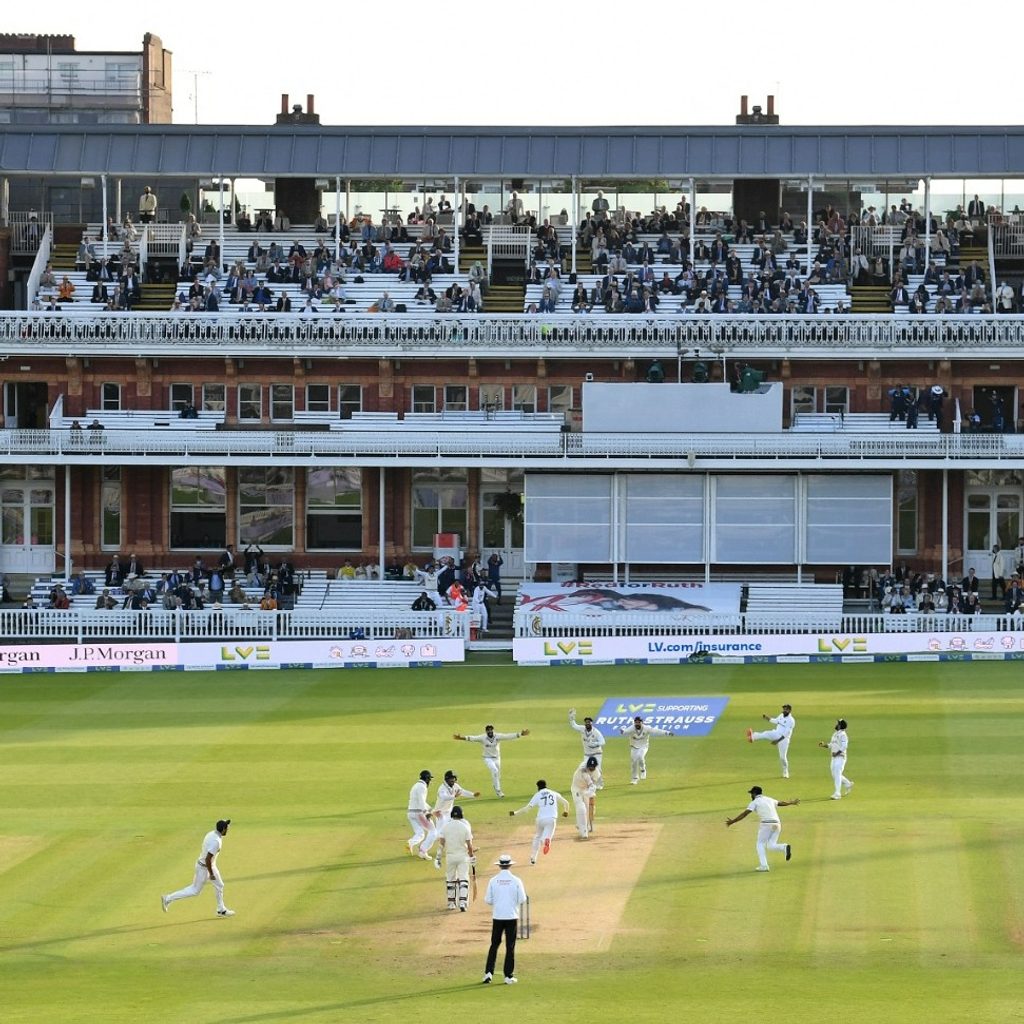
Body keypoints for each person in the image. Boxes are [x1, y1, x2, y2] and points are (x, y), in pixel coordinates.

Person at [161, 819, 235, 916]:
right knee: (195, 890)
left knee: (219, 885)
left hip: (209, 865)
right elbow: (208, 859)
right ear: (223, 830)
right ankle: (168, 898)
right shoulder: (216, 842)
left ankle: (221, 910)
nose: (228, 829)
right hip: (204, 868)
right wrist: (211, 874)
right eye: (227, 828)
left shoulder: (211, 834)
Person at [725, 786, 800, 872]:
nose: (750, 796)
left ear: (754, 794)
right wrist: (791, 802)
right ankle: (784, 847)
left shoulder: (755, 802)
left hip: (766, 824)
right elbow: (780, 803)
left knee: (760, 844)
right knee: (771, 846)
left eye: (751, 794)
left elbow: (745, 814)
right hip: (777, 824)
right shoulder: (769, 799)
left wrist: (733, 821)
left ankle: (764, 866)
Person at [483, 853, 527, 985]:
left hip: (498, 916)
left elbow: (488, 900)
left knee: (494, 945)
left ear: (500, 866)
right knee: (510, 946)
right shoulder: (516, 880)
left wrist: (499, 901)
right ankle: (508, 976)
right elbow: (522, 899)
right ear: (509, 865)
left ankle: (488, 974)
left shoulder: (493, 880)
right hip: (511, 916)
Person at [453, 724, 530, 798]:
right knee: (495, 771)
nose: (490, 732)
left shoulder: (497, 736)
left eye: (491, 730)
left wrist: (520, 734)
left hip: (497, 758)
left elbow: (508, 736)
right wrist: (461, 738)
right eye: (488, 730)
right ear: (486, 731)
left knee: (497, 775)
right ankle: (498, 791)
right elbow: (472, 738)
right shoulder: (483, 737)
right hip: (487, 758)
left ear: (493, 730)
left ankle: (495, 785)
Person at [509, 778, 569, 864]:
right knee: (548, 835)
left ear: (538, 787)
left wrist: (515, 813)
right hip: (551, 819)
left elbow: (527, 809)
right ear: (546, 785)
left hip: (540, 819)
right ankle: (546, 840)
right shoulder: (553, 793)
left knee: (537, 837)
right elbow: (566, 803)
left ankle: (533, 858)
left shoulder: (537, 795)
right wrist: (566, 811)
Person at [436, 805, 476, 912]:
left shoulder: (446, 827)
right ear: (461, 815)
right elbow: (469, 845)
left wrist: (438, 857)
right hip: (462, 856)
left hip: (450, 856)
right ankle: (462, 902)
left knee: (450, 879)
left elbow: (441, 844)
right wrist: (472, 857)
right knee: (463, 879)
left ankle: (451, 903)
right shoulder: (465, 827)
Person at [619, 715, 674, 785]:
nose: (637, 724)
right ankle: (634, 778)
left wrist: (667, 732)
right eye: (636, 722)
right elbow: (624, 732)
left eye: (639, 722)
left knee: (640, 757)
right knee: (634, 762)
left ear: (642, 722)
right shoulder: (631, 728)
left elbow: (656, 731)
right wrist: (622, 730)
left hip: (644, 746)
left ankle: (643, 769)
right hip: (634, 747)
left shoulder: (647, 728)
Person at [746, 704, 796, 778]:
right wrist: (767, 718)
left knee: (782, 757)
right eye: (783, 709)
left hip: (784, 739)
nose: (783, 710)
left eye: (785, 709)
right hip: (776, 733)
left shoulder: (791, 721)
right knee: (766, 733)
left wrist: (777, 741)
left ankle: (785, 771)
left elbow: (786, 734)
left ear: (789, 710)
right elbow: (775, 721)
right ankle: (752, 737)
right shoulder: (781, 715)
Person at [568, 708, 606, 784]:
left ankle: (600, 784)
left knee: (597, 768)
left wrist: (595, 744)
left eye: (589, 722)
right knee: (584, 768)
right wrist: (571, 718)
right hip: (587, 754)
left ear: (592, 723)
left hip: (597, 753)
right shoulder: (582, 729)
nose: (587, 723)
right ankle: (588, 783)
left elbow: (603, 742)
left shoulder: (596, 732)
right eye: (586, 722)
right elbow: (574, 725)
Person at [819, 719, 854, 800]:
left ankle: (837, 793)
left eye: (838, 723)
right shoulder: (835, 734)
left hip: (841, 757)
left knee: (837, 774)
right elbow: (832, 744)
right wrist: (824, 745)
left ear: (840, 726)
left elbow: (844, 746)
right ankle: (848, 784)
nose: (836, 724)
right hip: (834, 757)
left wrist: (837, 753)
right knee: (835, 775)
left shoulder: (843, 735)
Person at [406, 769, 435, 859]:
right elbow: (422, 802)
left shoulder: (415, 786)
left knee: (420, 834)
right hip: (419, 813)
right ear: (426, 779)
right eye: (429, 779)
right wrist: (426, 813)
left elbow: (421, 801)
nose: (430, 781)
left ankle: (410, 843)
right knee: (433, 831)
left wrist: (431, 809)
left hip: (411, 813)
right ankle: (423, 852)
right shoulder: (423, 787)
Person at [570, 757, 600, 839]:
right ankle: (584, 832)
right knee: (581, 808)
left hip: (586, 790)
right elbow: (586, 777)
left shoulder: (597, 774)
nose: (590, 769)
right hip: (577, 788)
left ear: (595, 767)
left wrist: (591, 791)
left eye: (592, 768)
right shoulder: (582, 767)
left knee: (589, 809)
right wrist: (591, 785)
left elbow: (592, 784)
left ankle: (585, 824)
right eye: (589, 767)